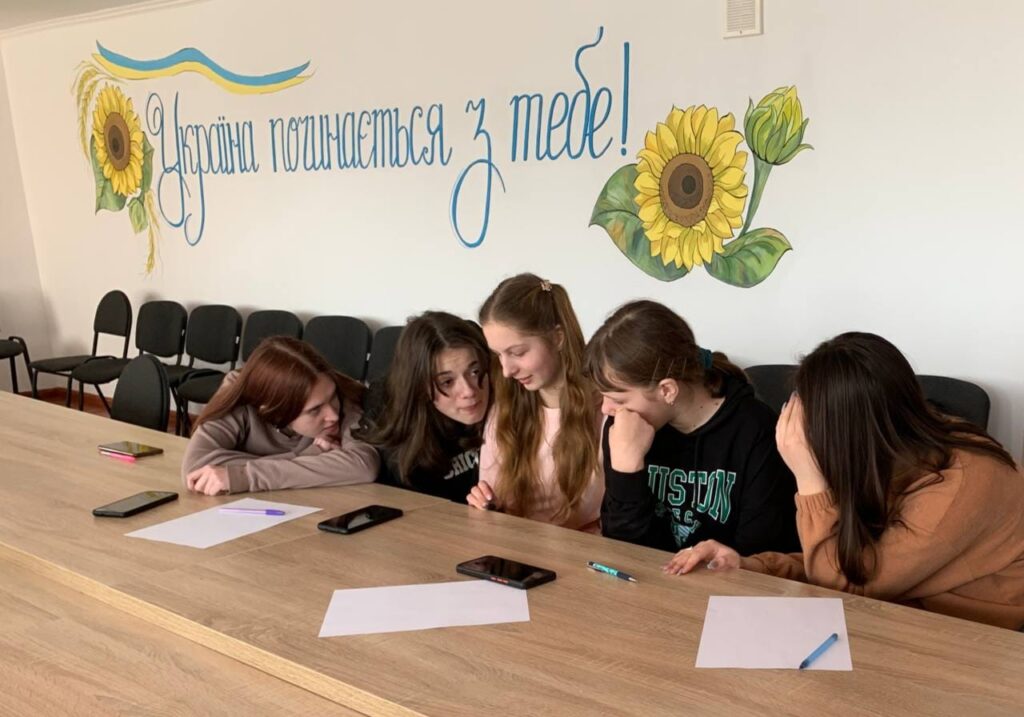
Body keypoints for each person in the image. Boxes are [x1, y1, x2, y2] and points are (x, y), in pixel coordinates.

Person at [666, 332, 1024, 630]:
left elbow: (841, 585)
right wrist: (748, 565)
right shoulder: (878, 453)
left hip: (972, 639)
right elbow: (848, 560)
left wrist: (809, 481)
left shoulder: (960, 483)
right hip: (896, 610)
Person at [586, 300, 799, 554]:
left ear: (667, 390)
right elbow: (622, 552)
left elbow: (760, 556)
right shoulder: (625, 428)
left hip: (725, 578)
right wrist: (627, 471)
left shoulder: (755, 431)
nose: (606, 409)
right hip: (649, 576)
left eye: (618, 400)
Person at [469, 273, 603, 531]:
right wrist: (488, 505)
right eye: (498, 355)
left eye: (517, 353)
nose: (507, 371)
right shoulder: (506, 408)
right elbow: (495, 501)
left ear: (558, 337)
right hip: (518, 544)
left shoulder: (607, 409)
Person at [182, 336, 378, 494]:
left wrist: (243, 477)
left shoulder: (345, 396)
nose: (333, 415)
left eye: (332, 397)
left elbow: (363, 465)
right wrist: (309, 455)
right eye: (315, 410)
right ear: (270, 408)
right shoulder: (240, 393)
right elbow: (196, 469)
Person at [356, 311, 490, 502]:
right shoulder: (398, 430)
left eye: (475, 371)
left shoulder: (507, 397)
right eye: (447, 382)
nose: (469, 390)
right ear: (419, 387)